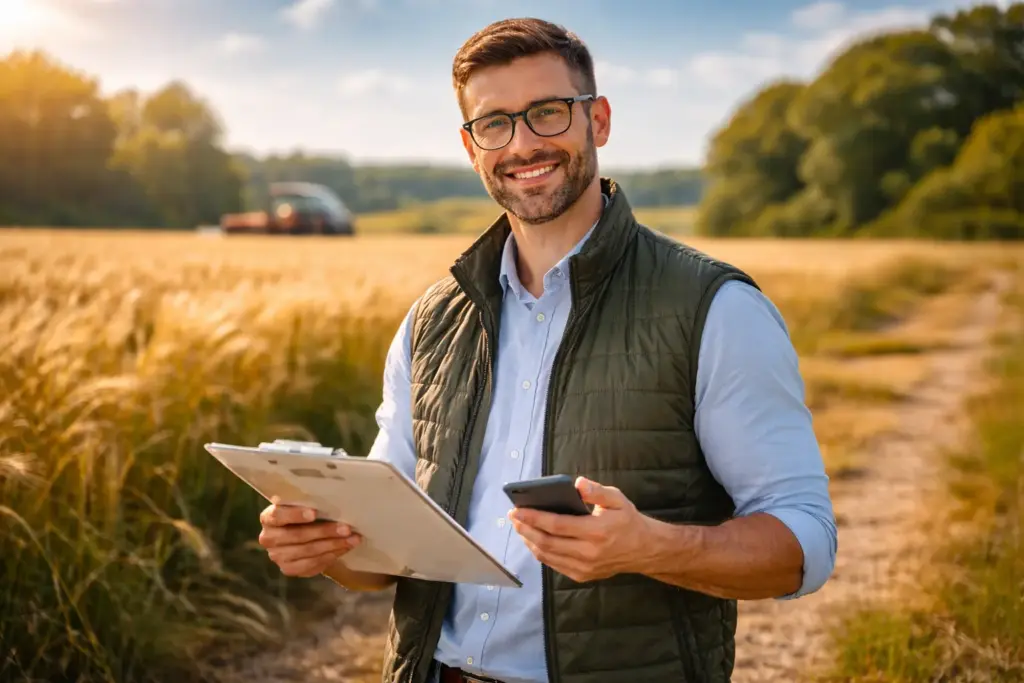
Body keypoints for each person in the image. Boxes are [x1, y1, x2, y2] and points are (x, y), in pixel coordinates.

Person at [257, 16, 837, 683]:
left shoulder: (716, 309)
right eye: (495, 123)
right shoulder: (429, 323)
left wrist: (650, 546)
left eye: (548, 112)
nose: (523, 143)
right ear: (471, 147)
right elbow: (383, 559)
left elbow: (806, 544)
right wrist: (325, 544)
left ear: (600, 120)